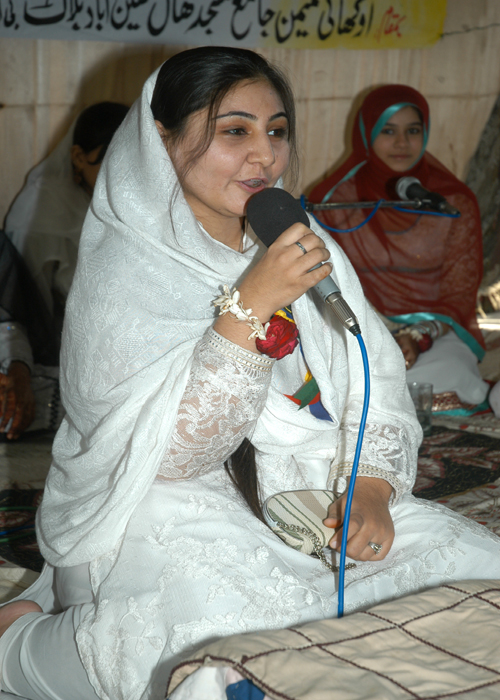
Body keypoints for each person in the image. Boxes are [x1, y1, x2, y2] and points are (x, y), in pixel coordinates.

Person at [0, 48, 499, 700]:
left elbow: (371, 373)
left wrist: (372, 489)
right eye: (234, 130)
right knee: (212, 642)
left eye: (277, 130)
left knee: (471, 572)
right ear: (161, 140)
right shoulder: (126, 268)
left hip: (302, 482)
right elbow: (173, 457)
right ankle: (19, 645)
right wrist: (250, 306)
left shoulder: (295, 236)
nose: (265, 155)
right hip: (157, 499)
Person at [309, 85, 491, 414]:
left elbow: (458, 295)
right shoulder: (333, 202)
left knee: (450, 372)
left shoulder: (452, 202)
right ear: (366, 134)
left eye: (413, 131)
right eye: (388, 131)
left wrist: (418, 336)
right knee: (329, 371)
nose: (402, 143)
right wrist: (374, 334)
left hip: (433, 332)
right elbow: (324, 281)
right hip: (359, 327)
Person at [1, 102, 129, 438]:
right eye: (110, 158)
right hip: (52, 365)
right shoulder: (42, 215)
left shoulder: (140, 208)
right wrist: (19, 370)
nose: (123, 173)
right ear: (78, 157)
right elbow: (17, 310)